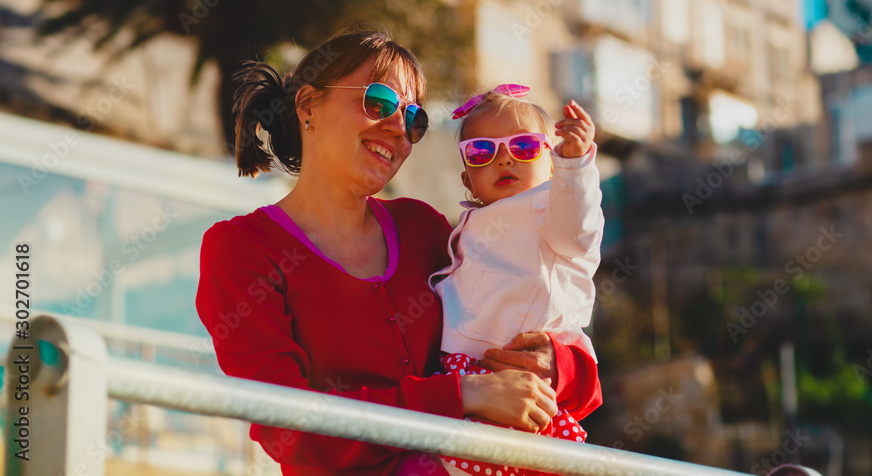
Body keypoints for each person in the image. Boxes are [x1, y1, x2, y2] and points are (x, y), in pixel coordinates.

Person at [195, 27, 602, 476]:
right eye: (380, 103)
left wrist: (555, 365)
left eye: (413, 119)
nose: (398, 129)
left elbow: (577, 386)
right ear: (308, 105)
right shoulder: (241, 248)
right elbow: (290, 431)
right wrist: (463, 395)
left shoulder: (425, 229)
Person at [430, 85, 604, 476]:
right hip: (471, 373)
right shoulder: (473, 222)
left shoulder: (549, 209)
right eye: (481, 152)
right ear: (467, 181)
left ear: (550, 162)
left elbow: (579, 230)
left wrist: (575, 170)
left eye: (523, 148)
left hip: (525, 373)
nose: (503, 159)